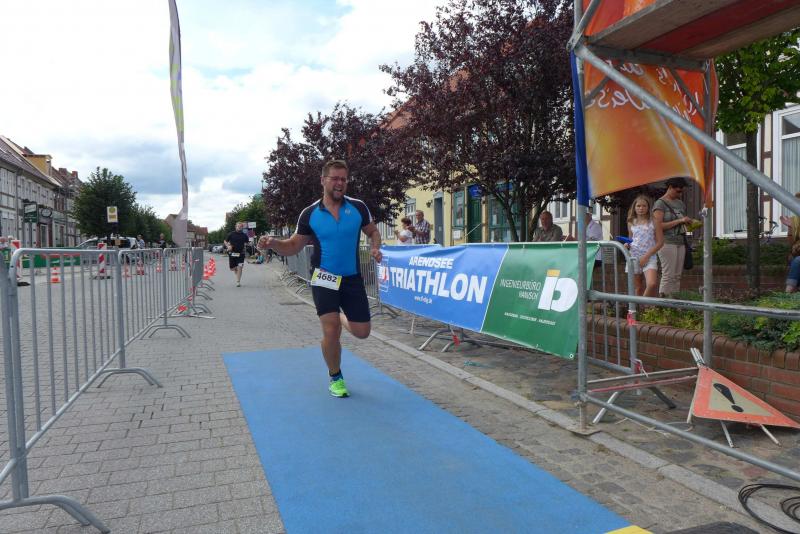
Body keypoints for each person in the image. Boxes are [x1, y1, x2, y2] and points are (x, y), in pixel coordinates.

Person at [257, 160, 382, 398]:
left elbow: (373, 231)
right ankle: (336, 377)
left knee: (362, 331)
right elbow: (293, 246)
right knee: (331, 329)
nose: (339, 183)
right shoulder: (310, 214)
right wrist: (273, 243)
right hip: (324, 276)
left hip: (352, 278)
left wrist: (375, 246)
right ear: (323, 180)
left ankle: (341, 316)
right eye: (335, 178)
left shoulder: (358, 207)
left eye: (343, 179)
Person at [652, 177, 692, 297]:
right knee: (668, 275)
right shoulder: (660, 203)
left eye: (681, 191)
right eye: (678, 191)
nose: (680, 194)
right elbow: (657, 226)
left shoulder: (680, 203)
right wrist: (680, 221)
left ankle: (674, 302)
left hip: (680, 241)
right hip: (666, 242)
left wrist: (689, 223)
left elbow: (681, 223)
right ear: (670, 188)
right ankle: (663, 304)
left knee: (677, 276)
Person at [626, 195, 663, 297]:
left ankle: (642, 304)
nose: (641, 208)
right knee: (638, 287)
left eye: (644, 206)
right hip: (634, 256)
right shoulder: (631, 222)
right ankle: (639, 306)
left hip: (649, 256)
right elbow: (631, 240)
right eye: (638, 206)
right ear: (634, 208)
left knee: (652, 283)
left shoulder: (654, 221)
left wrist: (646, 256)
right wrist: (627, 245)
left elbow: (660, 242)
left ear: (648, 207)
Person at [780, 192, 800, 293]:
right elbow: (791, 243)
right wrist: (790, 228)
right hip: (797, 253)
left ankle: (787, 293)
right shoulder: (794, 220)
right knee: (795, 261)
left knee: (797, 261)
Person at [225, 222, 248, 287]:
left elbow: (247, 243)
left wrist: (248, 245)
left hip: (241, 254)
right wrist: (228, 246)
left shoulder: (244, 235)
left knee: (240, 267)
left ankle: (238, 281)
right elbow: (225, 241)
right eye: (238, 226)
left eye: (241, 226)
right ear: (236, 227)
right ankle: (237, 273)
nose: (239, 227)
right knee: (233, 268)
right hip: (233, 253)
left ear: (242, 227)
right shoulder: (231, 234)